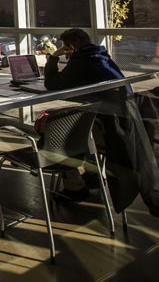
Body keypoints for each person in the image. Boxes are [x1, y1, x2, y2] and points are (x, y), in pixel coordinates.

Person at [42, 27, 129, 202]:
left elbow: (51, 83)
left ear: (71, 47)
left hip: (109, 130)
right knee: (82, 124)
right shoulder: (101, 57)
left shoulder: (81, 61)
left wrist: (53, 57)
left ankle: (75, 187)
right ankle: (93, 176)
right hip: (120, 123)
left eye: (64, 47)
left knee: (55, 127)